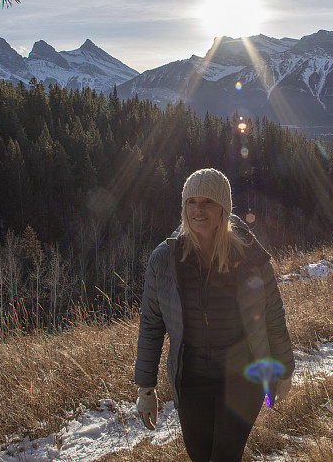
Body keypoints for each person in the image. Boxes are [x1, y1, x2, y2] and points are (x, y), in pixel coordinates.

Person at [134, 168, 295, 461]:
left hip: (242, 377)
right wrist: (146, 387)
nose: (198, 209)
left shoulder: (249, 256)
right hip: (192, 379)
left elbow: (273, 313)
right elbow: (151, 325)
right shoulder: (164, 259)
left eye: (207, 201)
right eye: (191, 202)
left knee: (225, 456)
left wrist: (285, 367)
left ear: (223, 207)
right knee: (200, 456)